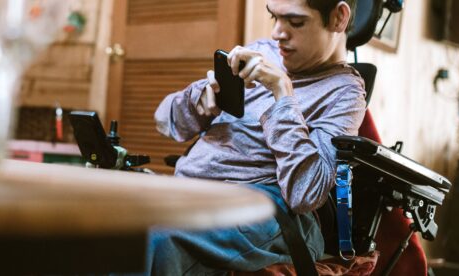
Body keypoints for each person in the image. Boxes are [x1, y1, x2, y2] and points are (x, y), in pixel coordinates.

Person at [148, 0, 366, 274]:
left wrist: (282, 94)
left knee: (153, 239)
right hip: (192, 189)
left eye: (295, 22)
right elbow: (165, 122)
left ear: (339, 18)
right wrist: (200, 98)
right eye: (274, 17)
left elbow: (306, 194)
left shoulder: (344, 93)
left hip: (267, 208)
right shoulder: (262, 51)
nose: (277, 33)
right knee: (105, 224)